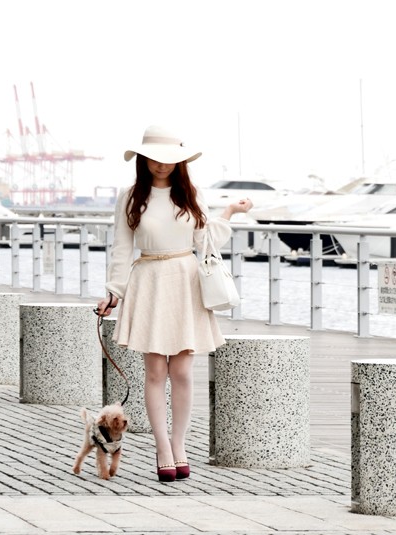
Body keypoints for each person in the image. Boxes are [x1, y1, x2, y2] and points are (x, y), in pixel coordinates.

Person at [96, 125, 253, 482]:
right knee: (155, 372)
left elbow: (205, 240)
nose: (162, 165)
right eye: (155, 158)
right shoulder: (130, 196)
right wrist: (113, 292)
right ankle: (162, 447)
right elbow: (122, 248)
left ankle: (179, 445)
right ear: (143, 159)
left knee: (182, 372)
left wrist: (230, 212)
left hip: (185, 280)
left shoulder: (190, 193)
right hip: (149, 280)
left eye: (169, 159)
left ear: (180, 162)